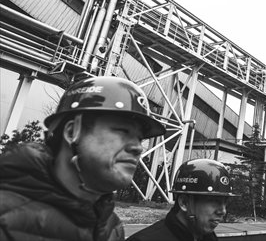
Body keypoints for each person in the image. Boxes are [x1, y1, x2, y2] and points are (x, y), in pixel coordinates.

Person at [0, 76, 166, 241]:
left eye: (140, 138)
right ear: (72, 133)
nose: (137, 147)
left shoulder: (111, 228)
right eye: (122, 131)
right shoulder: (5, 219)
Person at [127, 158, 237, 241]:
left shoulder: (208, 237)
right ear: (184, 202)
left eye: (225, 202)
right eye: (215, 201)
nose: (223, 211)